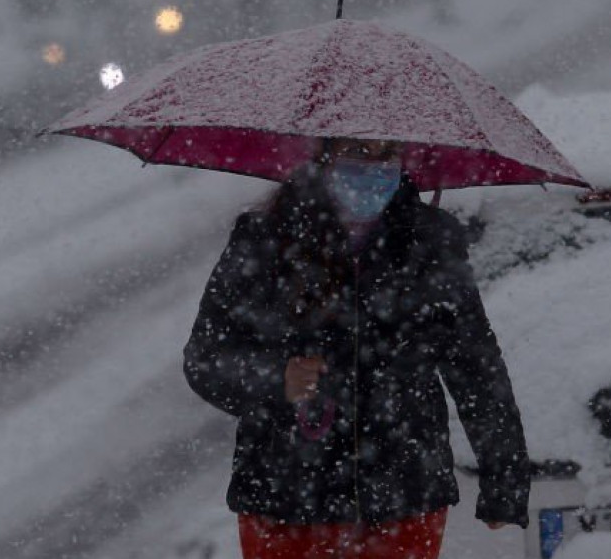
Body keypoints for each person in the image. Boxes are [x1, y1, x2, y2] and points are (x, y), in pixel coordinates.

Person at [184, 138, 531, 559]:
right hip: (285, 496)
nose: (374, 168)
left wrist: (505, 478)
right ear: (325, 155)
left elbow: (475, 365)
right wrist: (277, 379)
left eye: (386, 154)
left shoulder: (431, 242)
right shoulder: (265, 238)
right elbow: (205, 357)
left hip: (404, 494)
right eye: (358, 152)